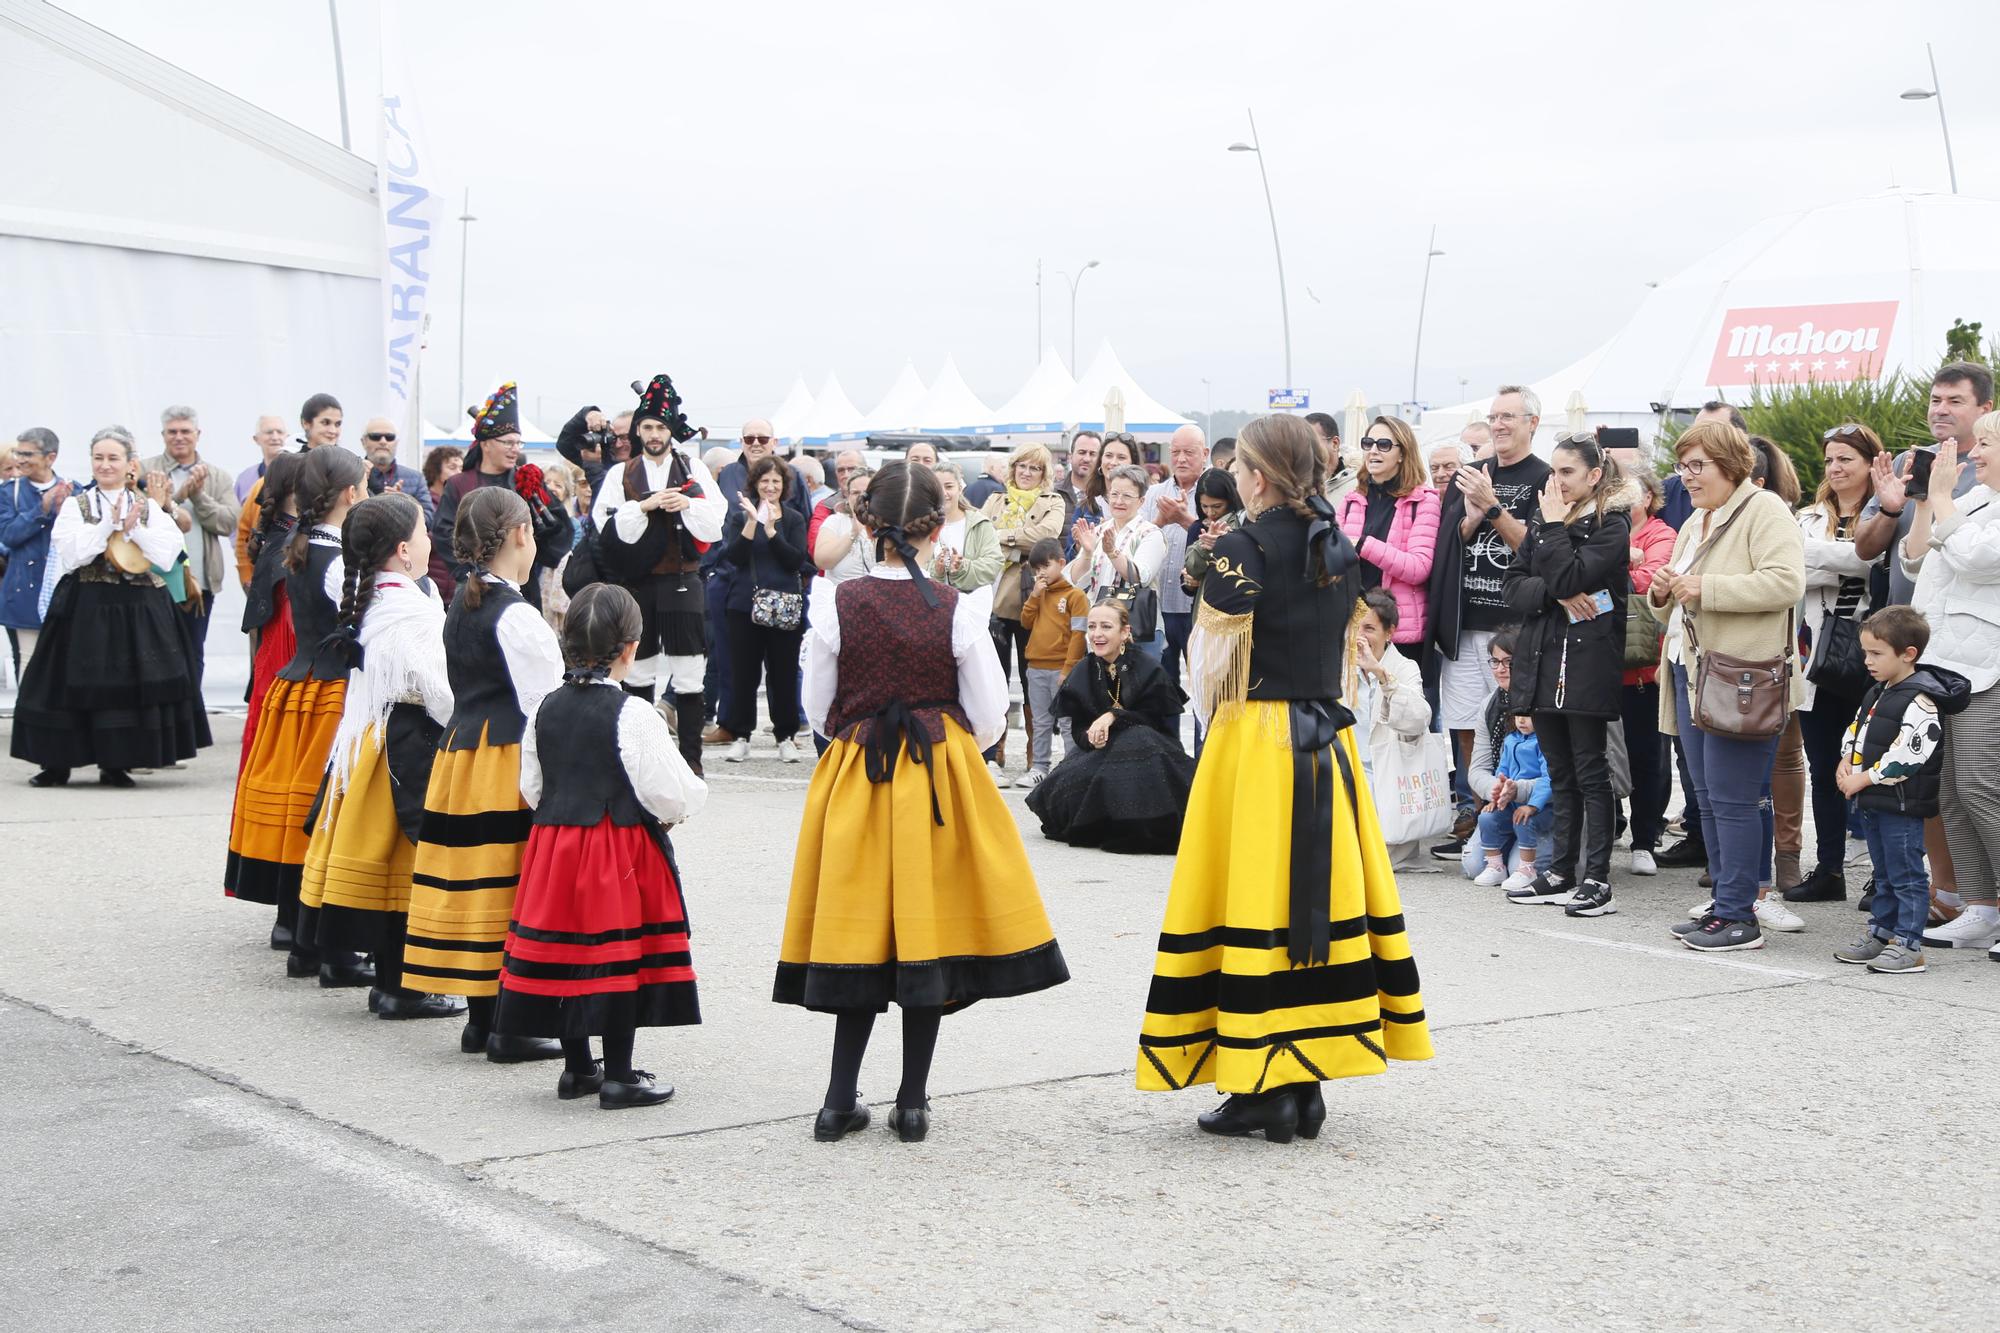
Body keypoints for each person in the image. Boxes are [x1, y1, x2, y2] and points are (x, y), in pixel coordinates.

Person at [1138, 413, 1431, 1143]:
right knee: (1314, 907)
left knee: (1255, 901)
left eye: (1239, 467)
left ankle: (1262, 1081)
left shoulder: (1242, 544)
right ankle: (1304, 1081)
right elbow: (1345, 651)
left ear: (1260, 476)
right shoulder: (1335, 542)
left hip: (1257, 738)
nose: (1233, 476)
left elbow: (1208, 665)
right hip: (1321, 738)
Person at [778, 462, 1069, 1142]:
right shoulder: (956, 608)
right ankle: (912, 1101)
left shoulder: (834, 603)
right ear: (937, 528)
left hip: (860, 769)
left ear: (867, 525)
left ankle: (837, 1098)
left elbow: (817, 708)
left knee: (859, 929)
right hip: (936, 772)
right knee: (924, 932)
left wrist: (859, 725)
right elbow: (993, 715)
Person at [498, 583, 706, 1107]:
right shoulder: (633, 715)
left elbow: (531, 787)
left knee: (568, 949)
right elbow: (670, 791)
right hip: (616, 848)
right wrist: (672, 814)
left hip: (556, 845)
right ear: (630, 649)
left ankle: (577, 1068)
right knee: (617, 952)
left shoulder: (545, 707)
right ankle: (618, 1073)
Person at [404, 486, 566, 1062]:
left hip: (462, 757)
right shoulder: (516, 616)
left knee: (476, 887)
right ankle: (514, 1027)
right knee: (509, 885)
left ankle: (482, 1020)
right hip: (504, 757)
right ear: (521, 534)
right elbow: (545, 707)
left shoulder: (462, 605)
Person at [293, 492, 462, 1019]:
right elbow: (438, 687)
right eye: (424, 532)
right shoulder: (407, 610)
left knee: (385, 861)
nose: (431, 540)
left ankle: (391, 982)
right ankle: (403, 988)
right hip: (405, 745)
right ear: (404, 550)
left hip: (369, 741)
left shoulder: (375, 598)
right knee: (406, 864)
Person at [1653, 421, 1805, 953]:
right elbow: (1679, 586)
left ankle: (1740, 916)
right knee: (1709, 798)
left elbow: (1787, 581)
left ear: (1730, 464)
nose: (1687, 477)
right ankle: (1725, 904)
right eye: (1683, 466)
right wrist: (1662, 587)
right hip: (1693, 670)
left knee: (1735, 800)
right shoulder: (1698, 518)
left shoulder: (1764, 510)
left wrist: (1703, 587)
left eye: (1698, 466)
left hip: (1742, 676)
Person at [224, 447, 365, 969]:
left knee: (297, 803)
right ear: (350, 494)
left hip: (297, 685)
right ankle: (310, 933)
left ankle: (296, 927)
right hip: (326, 691)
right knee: (317, 806)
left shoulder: (302, 547)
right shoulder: (334, 560)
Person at [9, 426, 207, 787]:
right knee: (68, 679)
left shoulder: (145, 505)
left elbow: (168, 552)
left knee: (127, 684)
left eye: (112, 458)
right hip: (86, 603)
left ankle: (117, 762)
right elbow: (71, 554)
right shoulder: (76, 504)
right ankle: (58, 763)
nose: (105, 464)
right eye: (98, 458)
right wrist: (108, 525)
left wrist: (135, 529)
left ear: (129, 463)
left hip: (138, 605)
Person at [1497, 433, 1633, 916]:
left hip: (1588, 662)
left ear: (1595, 475)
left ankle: (1596, 879)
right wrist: (1554, 594)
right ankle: (1559, 871)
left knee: (1590, 772)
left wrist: (1554, 535)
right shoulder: (1543, 520)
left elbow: (1573, 576)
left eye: (1568, 472)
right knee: (1561, 771)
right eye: (1553, 472)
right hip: (1542, 659)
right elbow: (1513, 586)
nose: (1556, 482)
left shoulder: (1613, 523)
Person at [1428, 386, 1553, 847]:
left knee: (1522, 722)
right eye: (1494, 416)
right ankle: (1479, 816)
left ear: (1532, 424)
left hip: (1517, 628)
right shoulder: (1471, 474)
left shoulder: (1546, 478)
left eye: (1510, 417)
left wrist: (1493, 508)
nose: (1499, 425)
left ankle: (1522, 816)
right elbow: (1445, 546)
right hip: (1465, 624)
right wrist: (1468, 517)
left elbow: (1540, 552)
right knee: (1464, 724)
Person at [590, 375, 725, 776]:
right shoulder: (621, 474)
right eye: (647, 427)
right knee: (639, 668)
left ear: (670, 431)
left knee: (688, 673)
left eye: (660, 427)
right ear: (638, 431)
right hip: (638, 583)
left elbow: (716, 523)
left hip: (683, 579)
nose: (653, 434)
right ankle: (639, 758)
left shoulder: (693, 466)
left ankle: (691, 764)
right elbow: (606, 526)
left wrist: (686, 502)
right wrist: (646, 506)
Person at [1906, 411, 2000, 956]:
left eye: (1985, 443)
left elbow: (1975, 557)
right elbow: (1917, 560)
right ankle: (1981, 907)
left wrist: (1943, 498)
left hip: (1990, 669)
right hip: (1949, 667)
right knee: (1952, 791)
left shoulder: (1969, 504)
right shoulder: (1973, 501)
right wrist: (1924, 500)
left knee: (1986, 788)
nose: (1973, 452)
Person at [1778, 424, 1882, 905]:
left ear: (1869, 463)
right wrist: (1848, 557)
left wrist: (1837, 558)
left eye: (1847, 459)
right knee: (1825, 768)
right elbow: (1793, 571)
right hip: (1817, 659)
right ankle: (1831, 870)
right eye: (1830, 461)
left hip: (1873, 660)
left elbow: (1873, 562)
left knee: (1876, 769)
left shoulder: (1885, 513)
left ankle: (1884, 875)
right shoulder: (1808, 516)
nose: (1836, 469)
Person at [1833, 607, 1968, 974]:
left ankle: (1909, 944)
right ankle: (1882, 933)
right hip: (1875, 800)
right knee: (1884, 873)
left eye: (1876, 654)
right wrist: (1848, 759)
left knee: (1906, 874)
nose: (1867, 661)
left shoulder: (1921, 699)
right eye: (1865, 653)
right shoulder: (1878, 692)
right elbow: (1858, 731)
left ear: (1909, 654)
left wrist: (1865, 778)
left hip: (1902, 803)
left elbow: (1911, 753)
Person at [1027, 599, 1193, 851]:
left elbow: (1156, 722)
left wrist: (1114, 716)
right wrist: (1091, 737)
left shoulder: (1148, 667)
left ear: (1125, 632)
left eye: (1106, 627)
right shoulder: (1084, 669)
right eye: (1092, 627)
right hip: (1101, 752)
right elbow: (1079, 730)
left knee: (1135, 740)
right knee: (1063, 791)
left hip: (1149, 752)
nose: (1097, 634)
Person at [701, 419, 808, 747]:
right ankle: (732, 725)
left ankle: (788, 726)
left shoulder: (793, 482)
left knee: (783, 664)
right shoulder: (728, 474)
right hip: (735, 581)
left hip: (780, 586)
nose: (756, 442)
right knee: (733, 660)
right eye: (750, 437)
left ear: (774, 441)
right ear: (742, 441)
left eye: (763, 437)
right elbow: (718, 527)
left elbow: (800, 537)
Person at [430, 382, 574, 608]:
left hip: (522, 586)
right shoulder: (459, 483)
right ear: (486, 444)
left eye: (518, 442)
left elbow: (559, 529)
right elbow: (443, 533)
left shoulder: (527, 481)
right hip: (474, 585)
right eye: (508, 442)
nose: (515, 449)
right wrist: (470, 572)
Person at [979, 443, 1066, 777]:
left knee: (1036, 683)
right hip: (997, 602)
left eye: (1035, 468)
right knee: (995, 680)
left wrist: (1006, 537)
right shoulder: (994, 500)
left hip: (1035, 602)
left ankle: (1036, 754)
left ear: (1044, 475)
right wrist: (1018, 543)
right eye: (1022, 467)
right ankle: (994, 751)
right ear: (1012, 469)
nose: (1027, 473)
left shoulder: (1052, 501)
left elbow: (1047, 538)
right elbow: (982, 535)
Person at [141, 405, 242, 686]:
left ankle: (190, 715)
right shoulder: (146, 470)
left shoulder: (216, 476)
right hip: (152, 578)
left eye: (185, 431)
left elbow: (228, 522)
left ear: (198, 434)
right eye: (172, 431)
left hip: (199, 581)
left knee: (191, 649)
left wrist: (198, 496)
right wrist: (169, 502)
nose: (179, 437)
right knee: (152, 650)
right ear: (163, 435)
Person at [721, 454, 809, 763]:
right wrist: (751, 523)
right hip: (743, 604)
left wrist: (772, 530)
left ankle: (785, 734)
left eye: (776, 481)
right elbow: (734, 557)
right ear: (754, 485)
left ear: (784, 485)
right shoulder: (739, 516)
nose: (770, 486)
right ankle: (741, 734)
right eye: (764, 481)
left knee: (783, 672)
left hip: (783, 605)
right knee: (743, 673)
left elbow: (795, 560)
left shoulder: (795, 518)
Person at [1346, 588, 1434, 874]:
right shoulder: (1338, 666)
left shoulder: (1404, 667)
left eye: (1369, 628)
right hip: (1349, 772)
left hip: (1389, 778)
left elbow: (1418, 720)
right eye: (1354, 627)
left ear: (1390, 632)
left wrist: (1383, 676)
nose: (1360, 636)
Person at [1337, 416, 1440, 650]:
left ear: (1402, 453)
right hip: (1353, 624)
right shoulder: (1352, 500)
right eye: (1368, 443)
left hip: (1398, 629)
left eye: (1383, 445)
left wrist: (1363, 544)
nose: (1373, 451)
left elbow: (1419, 568)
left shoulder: (1423, 501)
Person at [1621, 468, 1678, 877]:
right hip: (1601, 665)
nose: (1622, 500)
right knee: (1599, 757)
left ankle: (1645, 838)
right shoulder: (1599, 526)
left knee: (1647, 759)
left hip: (1644, 669)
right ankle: (1608, 826)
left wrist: (1612, 567)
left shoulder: (1662, 535)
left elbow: (1651, 583)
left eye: (1630, 492)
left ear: (1648, 498)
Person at [1066, 464, 1166, 663]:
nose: (1119, 501)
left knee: (1138, 692)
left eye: (1127, 496)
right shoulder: (1098, 531)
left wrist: (1112, 552)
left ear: (1141, 501)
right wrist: (1086, 551)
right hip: (1100, 631)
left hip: (1137, 630)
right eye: (1114, 494)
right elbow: (1077, 581)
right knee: (1103, 691)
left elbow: (1139, 576)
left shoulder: (1150, 533)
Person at [1014, 538, 1090, 791]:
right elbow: (1025, 621)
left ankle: (1071, 766)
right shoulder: (1039, 593)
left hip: (1062, 669)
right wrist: (1034, 596)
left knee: (1068, 721)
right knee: (1041, 721)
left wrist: (1069, 669)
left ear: (1061, 563)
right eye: (1036, 569)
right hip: (1035, 667)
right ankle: (1040, 767)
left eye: (1045, 566)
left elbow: (1079, 635)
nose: (1041, 573)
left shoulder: (1075, 596)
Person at [1140, 426, 1207, 687]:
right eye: (1175, 452)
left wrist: (1185, 521)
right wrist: (1160, 520)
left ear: (1205, 453)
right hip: (1158, 607)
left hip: (1197, 608)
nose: (1181, 459)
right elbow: (1139, 540)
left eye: (1189, 452)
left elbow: (1225, 539)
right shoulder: (1155, 494)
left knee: (1203, 685)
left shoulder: (1214, 492)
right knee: (1161, 689)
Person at [2, 428, 70, 671]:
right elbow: (9, 536)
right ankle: (28, 710)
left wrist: (63, 510)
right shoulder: (9, 492)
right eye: (18, 453)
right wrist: (41, 509)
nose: (20, 459)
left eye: (27, 454)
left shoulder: (73, 490)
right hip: (25, 587)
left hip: (63, 587)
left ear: (50, 457)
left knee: (65, 659)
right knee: (29, 659)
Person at [1472, 714, 1553, 890]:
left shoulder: (1545, 741)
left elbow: (1549, 778)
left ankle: (1527, 868)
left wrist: (1532, 805)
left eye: (1528, 716)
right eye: (1518, 716)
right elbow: (1503, 770)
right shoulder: (1510, 739)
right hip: (1512, 801)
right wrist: (1496, 797)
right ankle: (1495, 865)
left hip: (1542, 806)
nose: (1522, 721)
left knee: (1523, 820)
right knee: (1487, 817)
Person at [928, 460, 1002, 593]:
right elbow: (913, 565)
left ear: (960, 489)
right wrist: (936, 570)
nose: (943, 493)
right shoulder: (921, 524)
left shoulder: (979, 524)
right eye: (937, 487)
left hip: (969, 605)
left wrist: (962, 567)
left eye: (949, 487)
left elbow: (993, 564)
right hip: (930, 605)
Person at [360, 418, 435, 518]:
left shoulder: (416, 478)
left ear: (396, 442)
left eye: (389, 437)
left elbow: (428, 518)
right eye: (376, 437)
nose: (383, 441)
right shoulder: (354, 475)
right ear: (363, 442)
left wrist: (402, 504)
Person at [812, 466, 876, 584]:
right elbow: (822, 562)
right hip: (839, 597)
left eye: (867, 493)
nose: (861, 498)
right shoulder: (835, 521)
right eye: (855, 493)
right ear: (847, 496)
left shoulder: (885, 524)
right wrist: (853, 533)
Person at [234, 415, 289, 501]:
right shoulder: (244, 479)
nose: (275, 437)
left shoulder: (298, 475)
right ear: (256, 439)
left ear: (287, 437)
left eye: (280, 432)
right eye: (269, 432)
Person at [1056, 429, 1101, 526]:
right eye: (1082, 452)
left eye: (1092, 454)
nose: (1087, 459)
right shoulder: (1053, 493)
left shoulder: (1107, 496)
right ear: (1070, 457)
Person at [422, 445, 464, 510]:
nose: (459, 472)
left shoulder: (462, 499)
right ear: (435, 469)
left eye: (461, 468)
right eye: (452, 467)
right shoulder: (423, 499)